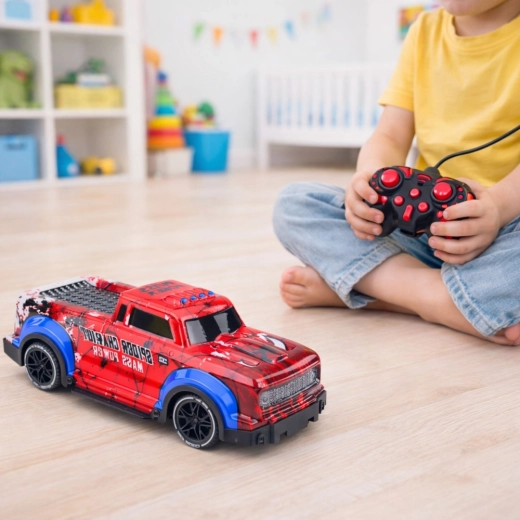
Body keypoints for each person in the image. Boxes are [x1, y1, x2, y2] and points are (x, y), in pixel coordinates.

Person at [272, 0, 520, 346]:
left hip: (505, 229)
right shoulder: (424, 31)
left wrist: (496, 207)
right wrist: (367, 182)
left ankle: (375, 290)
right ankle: (444, 301)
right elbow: (390, 135)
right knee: (295, 205)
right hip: (416, 226)